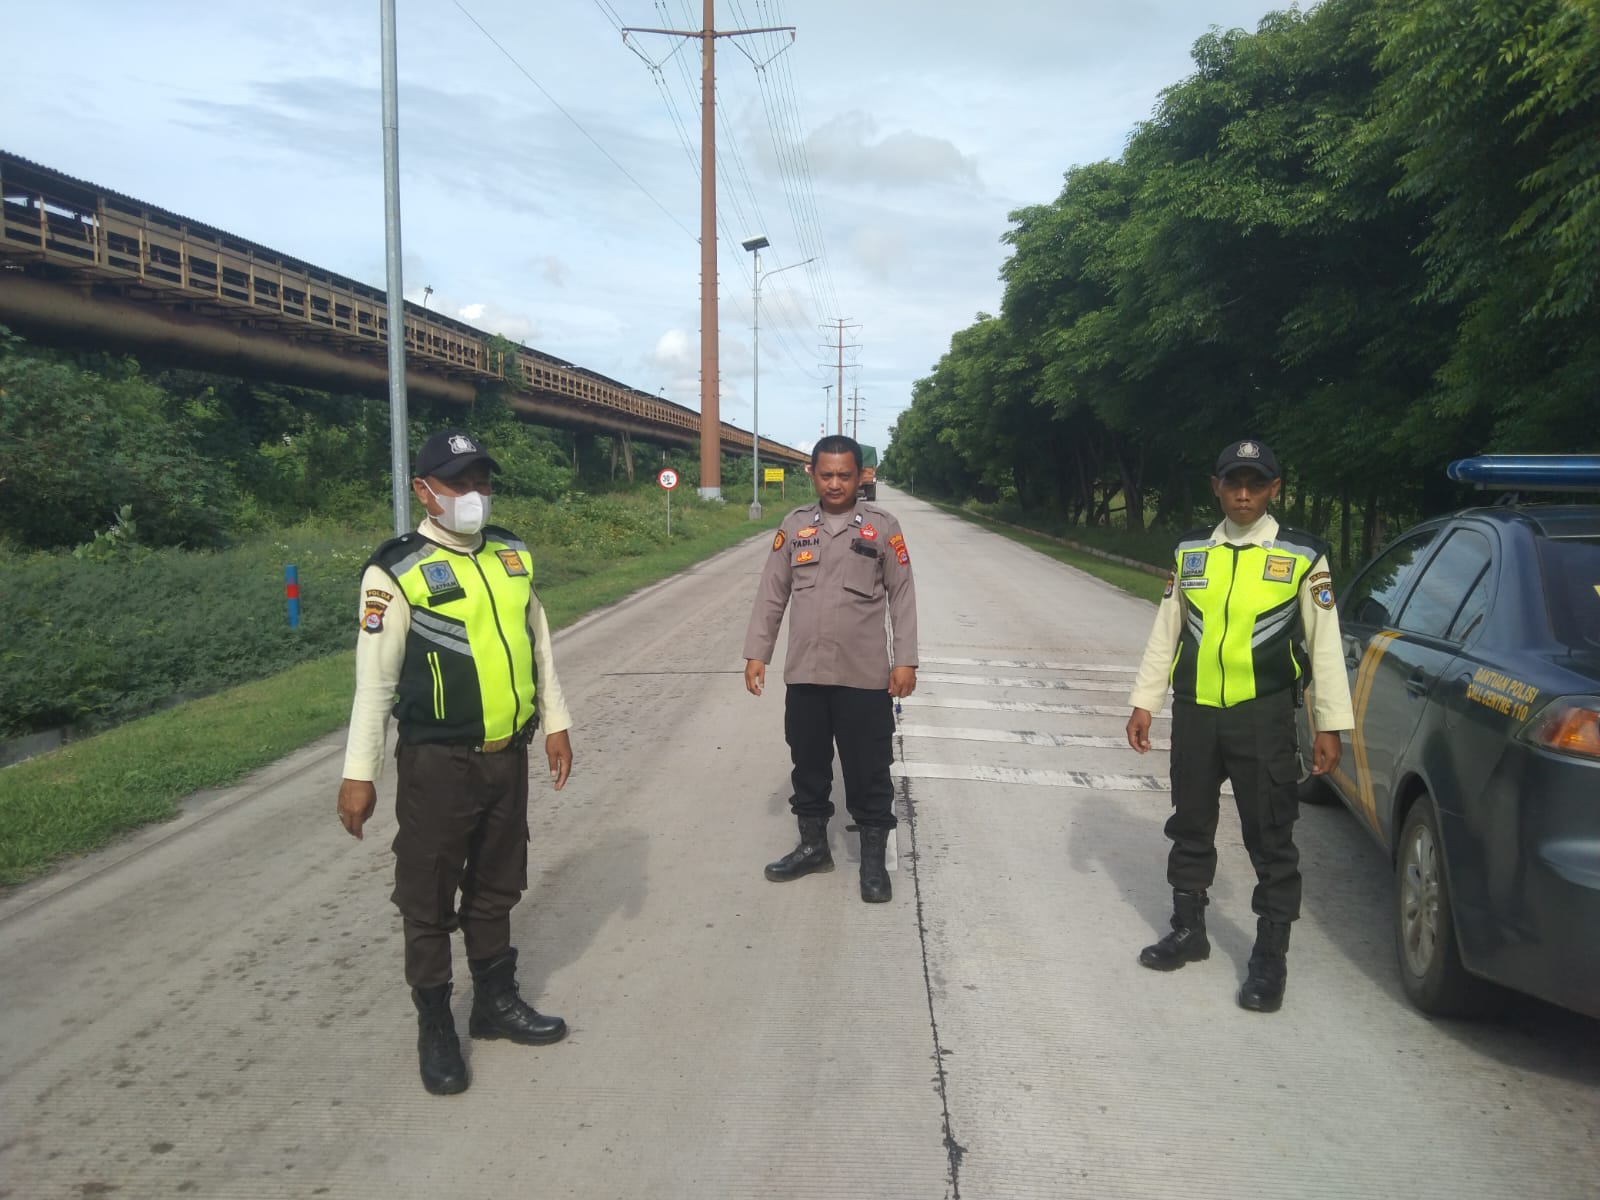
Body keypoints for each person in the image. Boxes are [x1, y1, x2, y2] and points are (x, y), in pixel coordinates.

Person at [335, 429, 575, 1095]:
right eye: (458, 482)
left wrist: (556, 721)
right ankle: (436, 1022)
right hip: (438, 763)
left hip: (508, 756)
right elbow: (374, 682)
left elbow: (539, 643)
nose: (474, 494)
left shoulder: (511, 556)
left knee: (498, 884)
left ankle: (494, 1002)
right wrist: (360, 772)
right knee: (429, 895)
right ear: (424, 490)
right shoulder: (396, 571)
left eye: (482, 481)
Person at [1125, 438, 1354, 1013]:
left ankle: (1270, 956)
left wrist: (1330, 724)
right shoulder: (1191, 552)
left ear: (1274, 489)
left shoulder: (1302, 555)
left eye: (1255, 484)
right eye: (1234, 483)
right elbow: (1166, 629)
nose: (1244, 494)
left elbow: (1325, 644)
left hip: (1263, 716)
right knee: (1190, 823)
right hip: (1196, 711)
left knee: (1270, 836)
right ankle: (1188, 930)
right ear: (1217, 487)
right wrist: (1144, 701)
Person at [742, 435, 918, 903]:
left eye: (844, 475)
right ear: (812, 474)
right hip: (806, 673)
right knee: (808, 763)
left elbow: (902, 596)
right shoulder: (795, 525)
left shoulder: (883, 527)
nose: (835, 484)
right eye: (826, 475)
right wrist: (757, 652)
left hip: (864, 675)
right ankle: (814, 847)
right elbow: (773, 591)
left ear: (861, 476)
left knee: (869, 767)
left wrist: (905, 659)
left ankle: (873, 862)